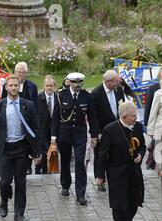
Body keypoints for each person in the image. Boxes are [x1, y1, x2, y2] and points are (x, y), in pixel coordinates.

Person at [0, 75, 42, 221]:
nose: (13, 88)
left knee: (21, 182)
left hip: (21, 149)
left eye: (16, 85)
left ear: (19, 87)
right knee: (5, 182)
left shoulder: (27, 105)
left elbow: (36, 129)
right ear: (6, 87)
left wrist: (37, 152)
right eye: (10, 85)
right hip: (4, 149)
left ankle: (19, 213)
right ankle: (4, 201)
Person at [95, 102, 146, 221]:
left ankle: (128, 219)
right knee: (118, 205)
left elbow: (142, 145)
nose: (136, 118)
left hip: (134, 170)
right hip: (117, 172)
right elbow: (103, 154)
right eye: (133, 116)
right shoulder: (110, 130)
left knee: (135, 199)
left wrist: (141, 156)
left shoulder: (136, 126)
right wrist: (100, 176)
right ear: (124, 116)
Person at [51, 72, 99, 205]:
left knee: (79, 162)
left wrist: (94, 135)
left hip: (79, 133)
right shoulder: (61, 95)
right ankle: (65, 185)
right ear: (69, 83)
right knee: (65, 161)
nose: (78, 86)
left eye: (80, 83)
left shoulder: (86, 97)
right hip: (64, 133)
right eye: (75, 83)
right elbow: (55, 116)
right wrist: (53, 135)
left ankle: (80, 194)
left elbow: (92, 117)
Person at [1, 62, 39, 175]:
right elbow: (3, 100)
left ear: (26, 73)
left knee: (27, 141)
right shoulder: (7, 86)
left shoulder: (32, 86)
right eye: (17, 72)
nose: (19, 74)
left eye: (22, 73)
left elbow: (35, 104)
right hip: (12, 118)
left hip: (27, 119)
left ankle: (27, 166)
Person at [91, 70, 125, 192]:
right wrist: (96, 133)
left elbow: (122, 106)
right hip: (103, 131)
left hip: (117, 129)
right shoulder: (96, 93)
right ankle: (100, 179)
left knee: (116, 154)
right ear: (108, 81)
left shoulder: (118, 89)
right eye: (116, 81)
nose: (118, 83)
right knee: (101, 156)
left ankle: (115, 178)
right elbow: (93, 117)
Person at [35, 75, 60, 174]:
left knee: (53, 152)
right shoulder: (38, 98)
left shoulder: (58, 98)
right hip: (42, 130)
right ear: (44, 86)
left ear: (54, 86)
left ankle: (51, 171)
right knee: (43, 153)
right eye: (47, 85)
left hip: (54, 129)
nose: (49, 88)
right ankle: (42, 171)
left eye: (51, 85)